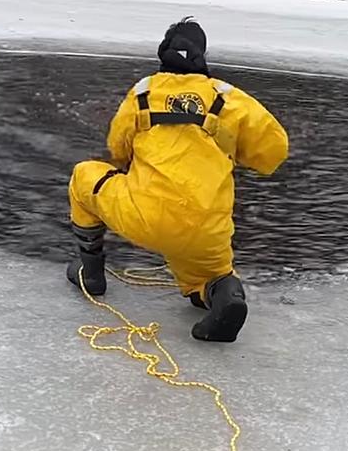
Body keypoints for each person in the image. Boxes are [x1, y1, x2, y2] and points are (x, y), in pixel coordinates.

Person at [66, 17, 289, 342]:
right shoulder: (227, 98)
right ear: (203, 56)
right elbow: (275, 152)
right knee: (207, 277)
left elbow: (117, 148)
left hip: (144, 216)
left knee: (85, 177)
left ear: (162, 54)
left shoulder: (142, 92)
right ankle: (221, 293)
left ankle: (92, 273)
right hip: (205, 228)